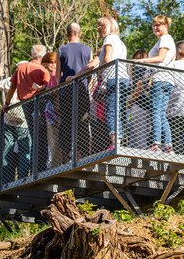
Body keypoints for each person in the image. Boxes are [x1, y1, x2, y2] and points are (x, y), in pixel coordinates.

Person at [80, 16, 129, 150]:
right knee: (119, 111)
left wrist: (101, 73)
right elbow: (94, 63)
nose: (98, 28)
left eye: (100, 25)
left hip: (113, 78)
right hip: (124, 79)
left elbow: (107, 58)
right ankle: (120, 142)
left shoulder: (109, 38)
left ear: (108, 25)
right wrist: (76, 76)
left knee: (111, 111)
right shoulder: (121, 43)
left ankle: (115, 143)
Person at [4, 44, 50, 174]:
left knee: (33, 135)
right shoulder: (42, 70)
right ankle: (40, 168)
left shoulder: (21, 68)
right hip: (40, 103)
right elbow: (48, 86)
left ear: (32, 55)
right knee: (42, 136)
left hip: (25, 104)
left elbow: (12, 87)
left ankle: (34, 167)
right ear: (44, 56)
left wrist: (6, 103)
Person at [137, 15, 176, 152]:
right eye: (154, 25)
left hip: (160, 80)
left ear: (166, 25)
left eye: (158, 25)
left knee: (155, 111)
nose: (155, 27)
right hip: (167, 80)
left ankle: (156, 144)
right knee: (161, 113)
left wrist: (141, 61)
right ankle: (168, 145)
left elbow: (160, 58)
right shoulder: (166, 39)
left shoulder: (165, 38)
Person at [0, 64, 31, 182]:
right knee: (24, 149)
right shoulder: (31, 81)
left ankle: (6, 180)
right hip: (24, 120)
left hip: (8, 118)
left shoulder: (10, 81)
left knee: (6, 148)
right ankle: (23, 178)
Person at [56, 23, 92, 160]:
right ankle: (82, 154)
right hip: (82, 90)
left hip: (66, 90)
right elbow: (90, 72)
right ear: (80, 33)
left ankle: (66, 155)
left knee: (66, 122)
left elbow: (57, 74)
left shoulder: (61, 50)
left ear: (67, 34)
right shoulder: (88, 50)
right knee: (82, 122)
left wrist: (59, 88)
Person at [41, 52, 64, 168]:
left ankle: (56, 164)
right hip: (53, 111)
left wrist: (45, 90)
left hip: (55, 111)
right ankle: (57, 162)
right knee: (54, 139)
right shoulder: (52, 75)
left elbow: (55, 91)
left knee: (54, 139)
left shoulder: (55, 75)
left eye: (45, 65)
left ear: (51, 63)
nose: (44, 68)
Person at [127, 49, 151, 149]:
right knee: (146, 135)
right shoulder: (150, 69)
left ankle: (142, 160)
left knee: (139, 137)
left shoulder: (139, 68)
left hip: (139, 105)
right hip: (149, 106)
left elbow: (139, 86)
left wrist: (130, 103)